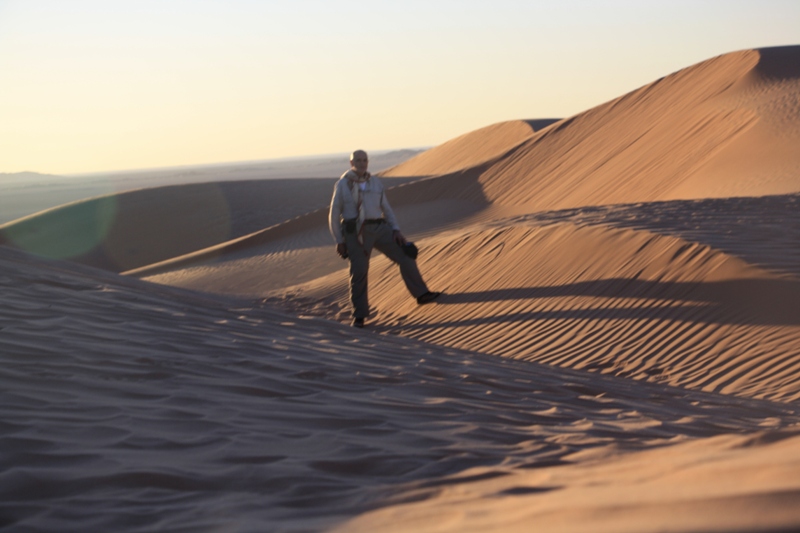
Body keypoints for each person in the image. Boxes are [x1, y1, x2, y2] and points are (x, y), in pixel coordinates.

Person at [329, 150, 440, 327]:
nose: (362, 163)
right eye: (358, 160)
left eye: (365, 160)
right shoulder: (343, 184)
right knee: (359, 272)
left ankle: (421, 294)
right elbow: (334, 213)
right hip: (356, 231)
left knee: (406, 254)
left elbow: (386, 208)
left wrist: (396, 230)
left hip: (379, 228)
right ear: (351, 163)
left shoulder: (375, 182)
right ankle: (359, 316)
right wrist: (339, 241)